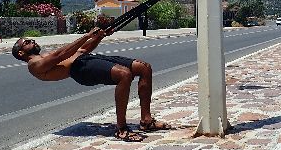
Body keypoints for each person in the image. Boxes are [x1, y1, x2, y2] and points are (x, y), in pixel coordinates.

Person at [12, 27, 170, 142]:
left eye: (31, 39)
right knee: (124, 75)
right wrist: (87, 35)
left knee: (144, 68)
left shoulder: (43, 55)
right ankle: (121, 128)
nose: (32, 41)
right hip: (80, 70)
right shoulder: (34, 65)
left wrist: (100, 36)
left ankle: (146, 121)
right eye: (27, 42)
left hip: (87, 59)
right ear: (21, 53)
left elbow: (82, 49)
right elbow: (62, 54)